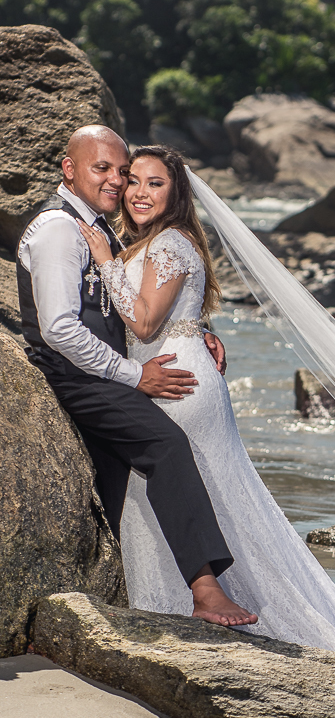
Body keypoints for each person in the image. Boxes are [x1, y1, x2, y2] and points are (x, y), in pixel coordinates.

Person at [78, 143, 335, 684]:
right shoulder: (149, 243)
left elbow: (143, 322)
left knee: (197, 494)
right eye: (133, 180)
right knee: (197, 495)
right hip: (167, 372)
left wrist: (108, 262)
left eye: (155, 184)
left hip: (175, 382)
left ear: (176, 194)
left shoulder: (169, 244)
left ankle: (209, 607)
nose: (138, 191)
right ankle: (186, 605)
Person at [16, 125, 257, 628]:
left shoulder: (99, 226)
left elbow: (141, 287)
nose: (115, 182)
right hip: (77, 376)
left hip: (100, 372)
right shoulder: (59, 228)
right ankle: (206, 590)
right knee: (165, 445)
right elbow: (59, 327)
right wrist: (131, 374)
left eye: (119, 171)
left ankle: (125, 594)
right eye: (101, 168)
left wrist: (195, 328)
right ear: (69, 169)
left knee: (117, 484)